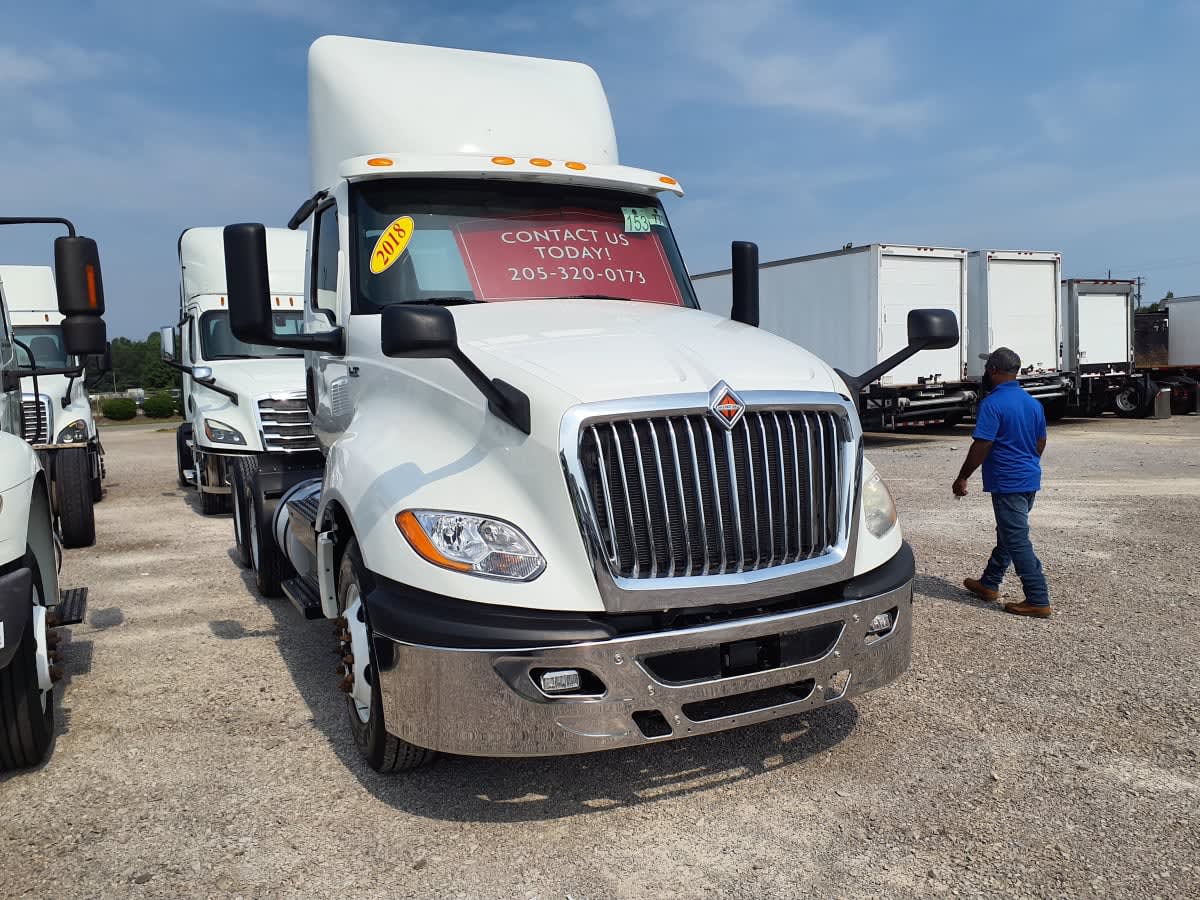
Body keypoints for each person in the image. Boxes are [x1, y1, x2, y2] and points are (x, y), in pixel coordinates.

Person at [952, 347, 1052, 618]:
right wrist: (1027, 465)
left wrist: (963, 477)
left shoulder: (992, 404)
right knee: (1008, 534)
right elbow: (1040, 442)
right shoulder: (1032, 403)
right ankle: (989, 583)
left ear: (993, 370)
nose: (985, 372)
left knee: (1016, 539)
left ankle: (1038, 598)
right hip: (1028, 479)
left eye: (987, 368)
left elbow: (982, 444)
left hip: (1008, 483)